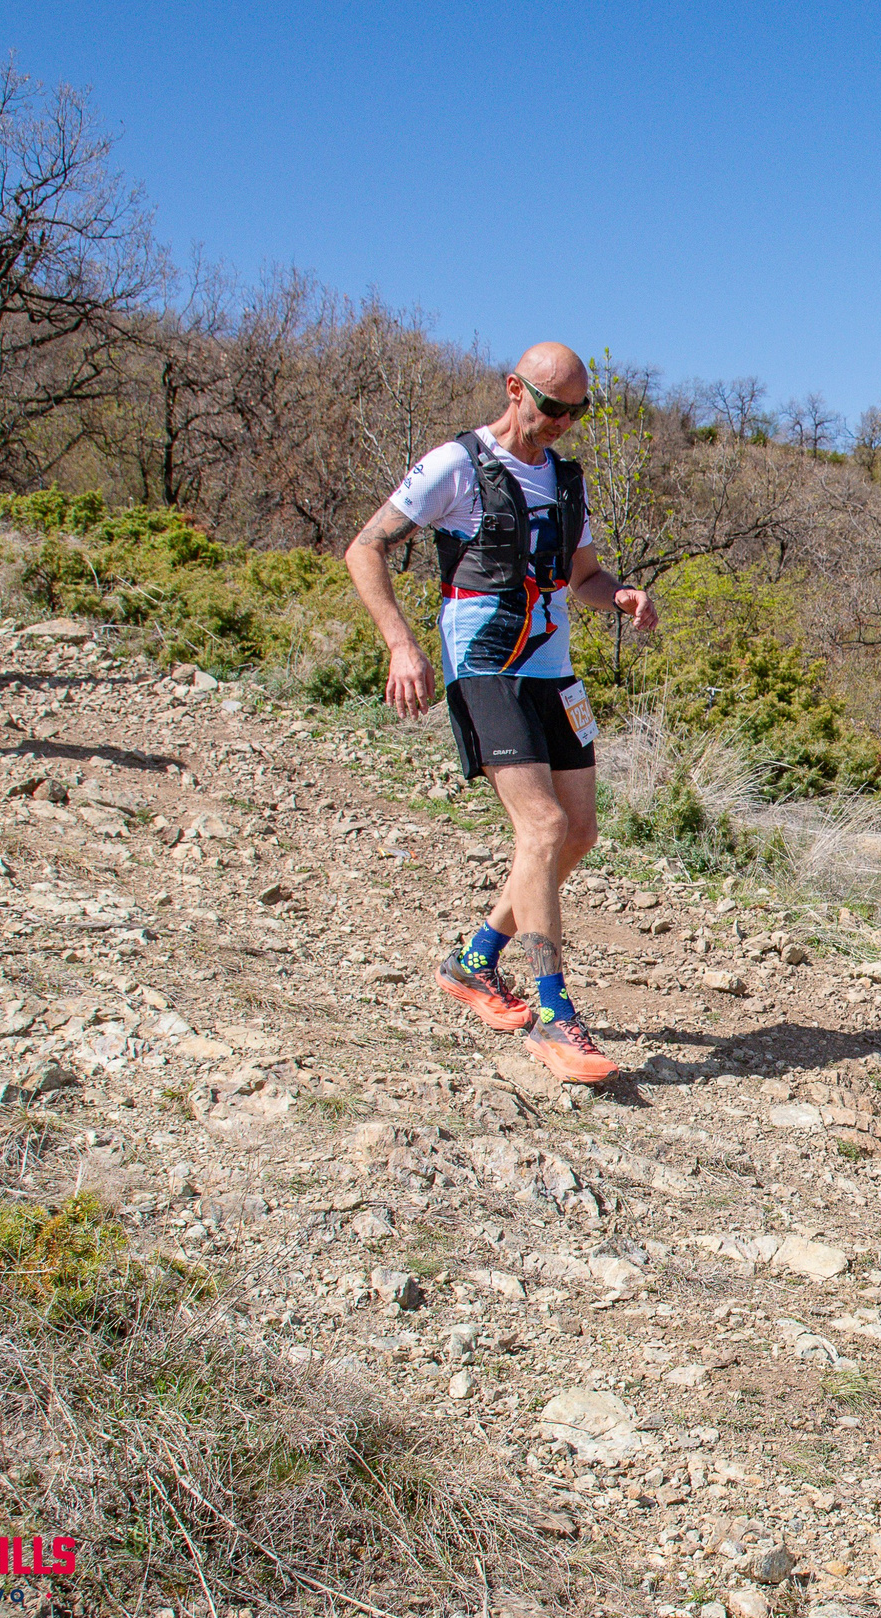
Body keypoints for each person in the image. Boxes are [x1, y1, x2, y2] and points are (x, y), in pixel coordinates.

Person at [342, 342, 657, 1085]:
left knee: (577, 833)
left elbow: (581, 574)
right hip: (485, 666)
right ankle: (555, 1017)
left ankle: (474, 960)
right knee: (542, 828)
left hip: (553, 673)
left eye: (575, 412)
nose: (561, 423)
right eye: (550, 406)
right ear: (515, 389)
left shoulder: (565, 478)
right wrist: (401, 646)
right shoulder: (456, 465)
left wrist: (616, 595)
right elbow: (365, 549)